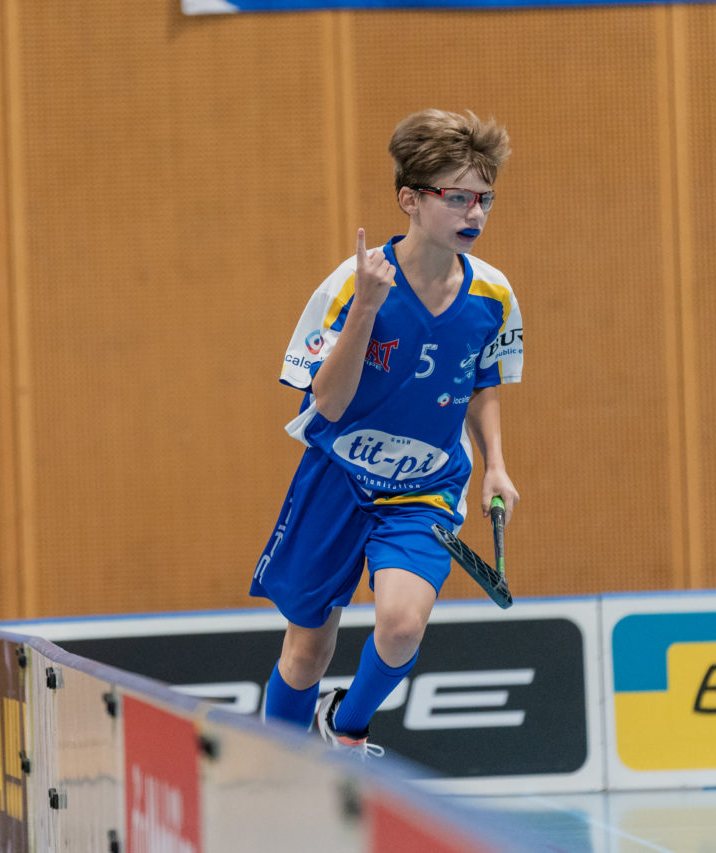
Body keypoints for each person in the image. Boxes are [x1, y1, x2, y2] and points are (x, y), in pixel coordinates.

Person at [251, 109, 523, 755]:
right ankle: (276, 769)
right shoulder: (353, 283)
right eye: (457, 197)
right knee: (308, 647)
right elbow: (329, 401)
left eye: (484, 199)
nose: (475, 213)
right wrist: (367, 312)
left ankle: (347, 727)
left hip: (425, 485)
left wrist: (495, 464)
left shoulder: (493, 294)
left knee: (401, 627)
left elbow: (482, 381)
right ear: (410, 200)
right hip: (338, 476)